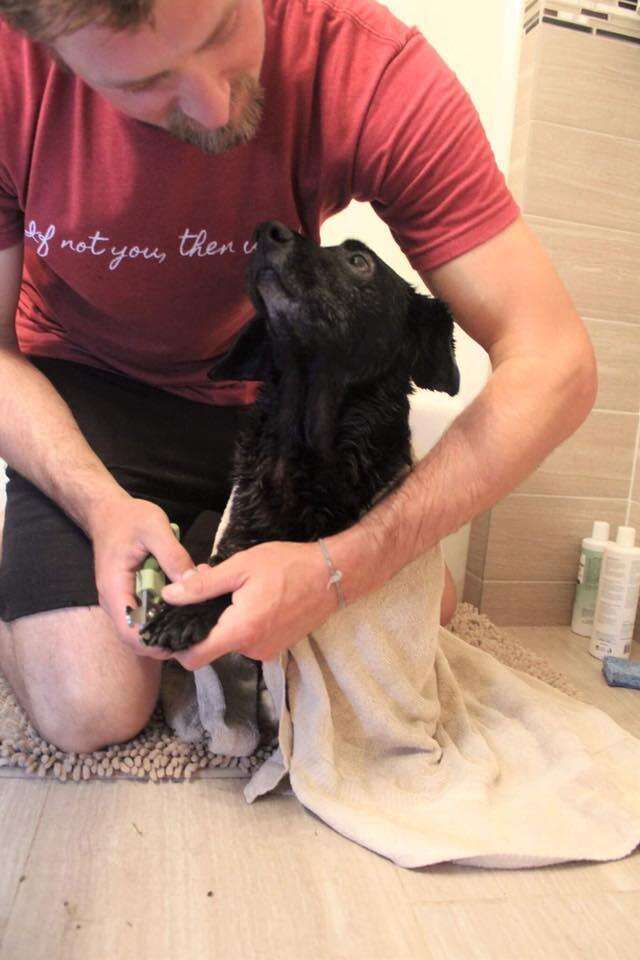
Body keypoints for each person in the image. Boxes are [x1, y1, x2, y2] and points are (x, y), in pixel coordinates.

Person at [0, 0, 597, 755]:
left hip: (266, 402)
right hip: (85, 400)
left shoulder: (370, 68)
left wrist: (342, 570)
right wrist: (95, 504)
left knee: (432, 604)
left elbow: (558, 361)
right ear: (43, 45)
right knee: (90, 706)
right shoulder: (8, 77)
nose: (214, 107)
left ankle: (190, 533)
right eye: (145, 85)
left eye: (223, 35)